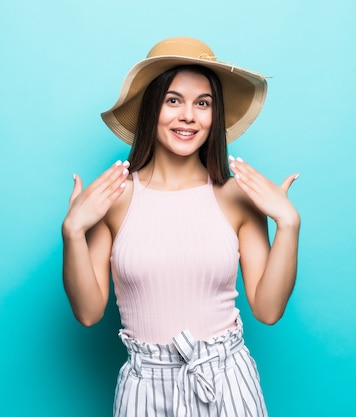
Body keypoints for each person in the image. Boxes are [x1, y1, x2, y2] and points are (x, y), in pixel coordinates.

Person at [62, 37, 300, 417]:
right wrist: (73, 231)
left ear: (214, 115)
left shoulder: (237, 197)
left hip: (226, 383)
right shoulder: (113, 199)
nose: (188, 115)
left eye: (202, 103)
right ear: (149, 108)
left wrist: (288, 223)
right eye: (173, 100)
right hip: (144, 389)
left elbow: (269, 310)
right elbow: (89, 313)